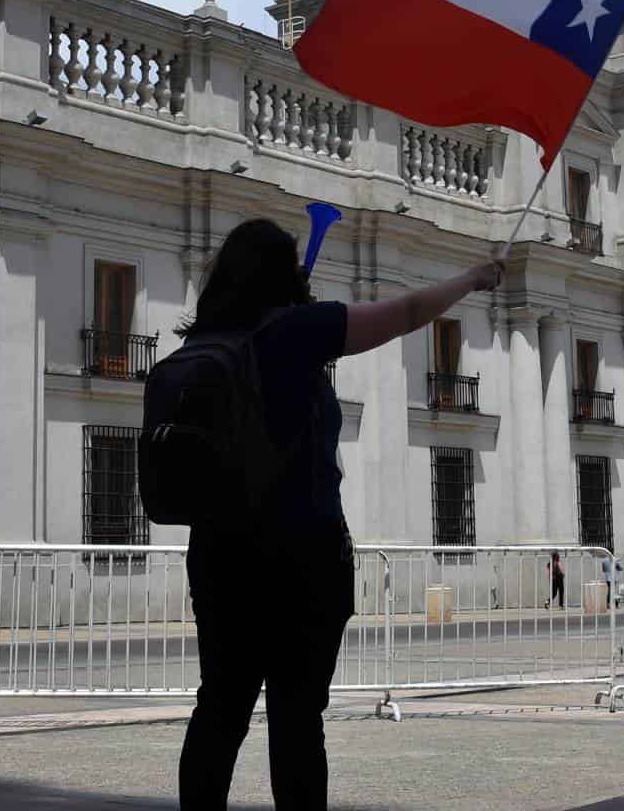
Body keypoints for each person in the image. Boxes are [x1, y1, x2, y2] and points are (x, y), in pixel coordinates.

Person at [177, 218, 502, 810]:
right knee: (297, 718)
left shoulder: (203, 342)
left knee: (219, 710)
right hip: (300, 555)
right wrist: (471, 279)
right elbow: (404, 314)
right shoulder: (296, 329)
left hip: (220, 557)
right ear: (283, 274)